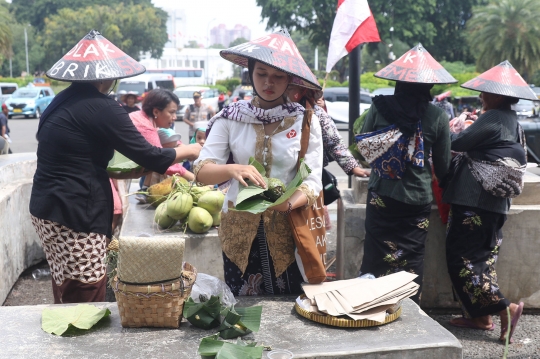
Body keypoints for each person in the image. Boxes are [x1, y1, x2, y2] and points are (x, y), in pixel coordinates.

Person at [29, 30, 201, 304]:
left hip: (46, 209)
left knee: (64, 281)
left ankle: (63, 339)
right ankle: (81, 344)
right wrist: (190, 150)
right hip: (74, 213)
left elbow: (76, 154)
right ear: (109, 76)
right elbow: (152, 157)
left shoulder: (62, 100)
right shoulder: (102, 107)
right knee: (86, 290)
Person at [194, 30, 323, 296]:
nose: (269, 82)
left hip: (288, 230)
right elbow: (202, 171)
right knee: (241, 311)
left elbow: (313, 179)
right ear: (250, 73)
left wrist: (290, 202)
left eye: (278, 76)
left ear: (289, 80)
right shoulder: (230, 117)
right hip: (238, 232)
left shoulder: (305, 121)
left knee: (290, 310)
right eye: (261, 73)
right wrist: (232, 169)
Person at [356, 44, 455, 303]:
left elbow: (365, 148)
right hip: (417, 199)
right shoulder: (437, 117)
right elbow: (443, 166)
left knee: (376, 254)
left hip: (382, 195)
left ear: (398, 82)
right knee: (412, 258)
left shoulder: (380, 107)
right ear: (428, 87)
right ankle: (408, 311)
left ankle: (369, 308)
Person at [442, 60, 532, 342]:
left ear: (498, 95)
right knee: (482, 261)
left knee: (463, 259)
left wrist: (451, 127)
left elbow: (456, 143)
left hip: (474, 202)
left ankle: (506, 310)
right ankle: (480, 318)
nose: (481, 96)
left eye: (485, 92)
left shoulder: (493, 118)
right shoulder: (512, 122)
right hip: (493, 206)